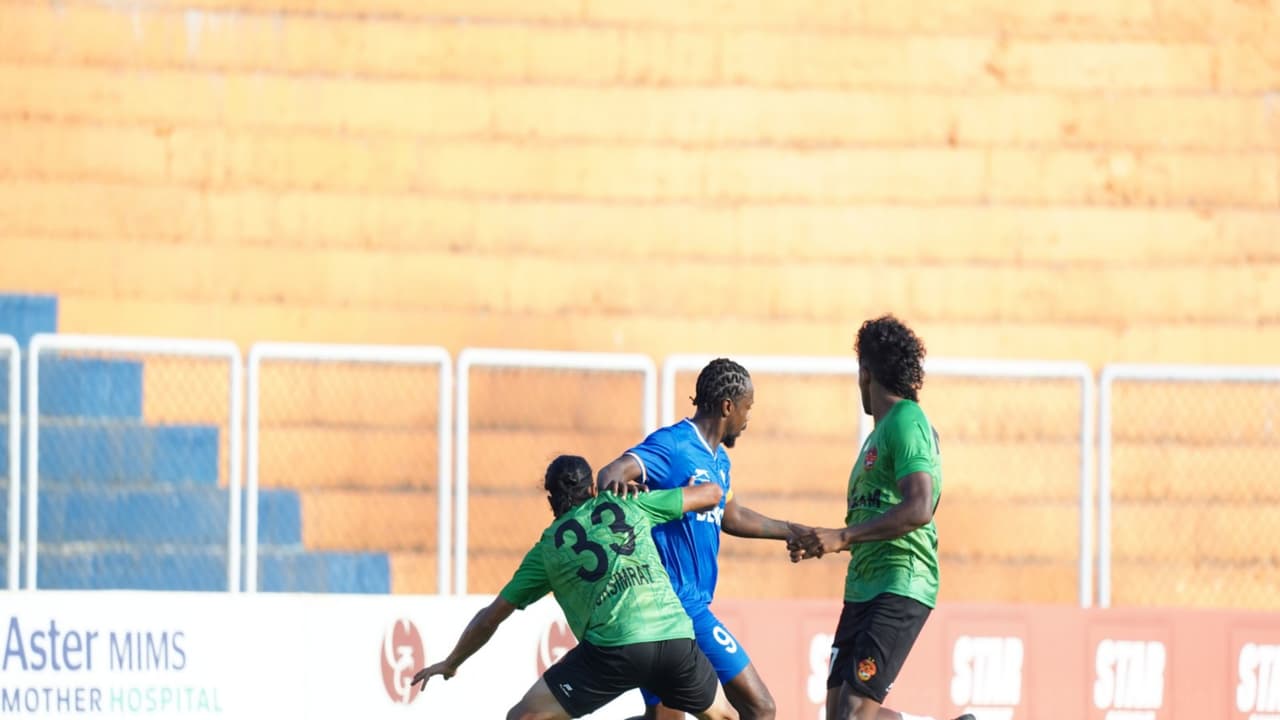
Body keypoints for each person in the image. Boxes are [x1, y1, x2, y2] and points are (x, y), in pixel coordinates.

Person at [412, 454, 738, 720]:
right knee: (725, 716)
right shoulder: (630, 502)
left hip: (613, 651)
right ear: (592, 489)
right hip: (675, 639)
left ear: (551, 499)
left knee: (523, 717)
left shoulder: (548, 548)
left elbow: (489, 618)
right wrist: (683, 487)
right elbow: (712, 493)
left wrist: (452, 662)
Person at [597, 358, 807, 720]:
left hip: (674, 611)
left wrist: (789, 531)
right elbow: (611, 473)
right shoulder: (674, 445)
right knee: (760, 707)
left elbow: (731, 515)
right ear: (728, 406)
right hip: (677, 603)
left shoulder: (719, 461)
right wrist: (618, 487)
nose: (747, 420)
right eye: (747, 409)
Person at [788, 316, 973, 720]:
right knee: (840, 716)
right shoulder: (878, 435)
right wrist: (828, 539)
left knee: (855, 713)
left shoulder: (908, 420)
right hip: (863, 588)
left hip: (900, 580)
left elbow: (919, 507)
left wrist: (843, 536)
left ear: (865, 372)